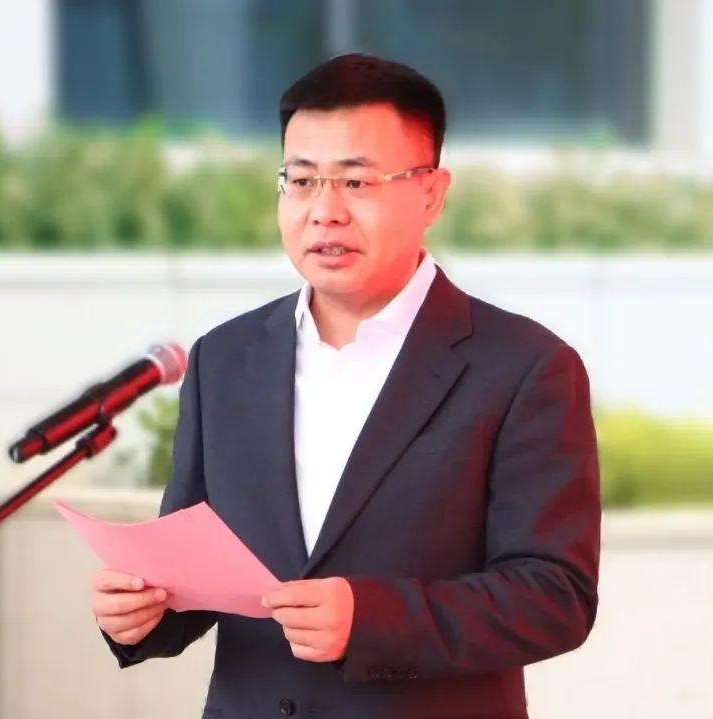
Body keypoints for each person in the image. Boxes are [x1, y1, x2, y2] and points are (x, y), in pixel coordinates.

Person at [91, 53, 601, 718]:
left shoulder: (524, 366)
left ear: (432, 193)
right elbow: (195, 571)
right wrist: (143, 614)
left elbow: (556, 595)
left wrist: (372, 619)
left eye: (357, 182)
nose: (324, 212)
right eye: (302, 181)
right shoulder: (225, 359)